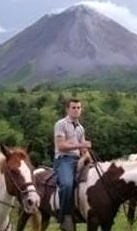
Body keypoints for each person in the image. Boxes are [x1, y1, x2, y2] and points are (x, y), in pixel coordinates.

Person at [53, 98, 92, 231]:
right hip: (63, 160)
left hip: (77, 160)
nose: (76, 110)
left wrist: (88, 158)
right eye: (73, 107)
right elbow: (61, 145)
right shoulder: (61, 124)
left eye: (78, 108)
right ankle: (64, 217)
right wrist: (81, 145)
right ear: (68, 109)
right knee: (67, 184)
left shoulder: (81, 128)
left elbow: (83, 150)